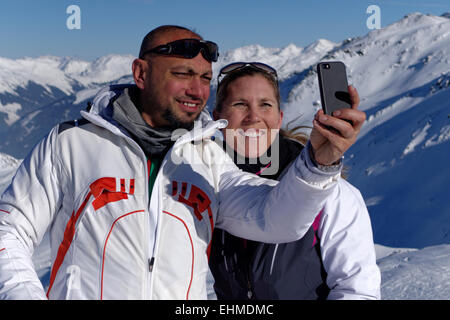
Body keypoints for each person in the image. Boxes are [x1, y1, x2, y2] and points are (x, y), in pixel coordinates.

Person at [0, 26, 362, 300]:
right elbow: (9, 233)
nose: (198, 90)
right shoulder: (72, 144)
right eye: (182, 74)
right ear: (141, 74)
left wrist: (319, 162)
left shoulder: (208, 160)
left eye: (205, 78)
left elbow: (276, 218)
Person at [208, 62, 380, 300]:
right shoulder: (204, 184)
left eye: (265, 105)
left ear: (278, 119)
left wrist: (319, 165)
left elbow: (357, 290)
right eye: (240, 104)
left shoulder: (331, 193)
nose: (253, 117)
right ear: (217, 117)